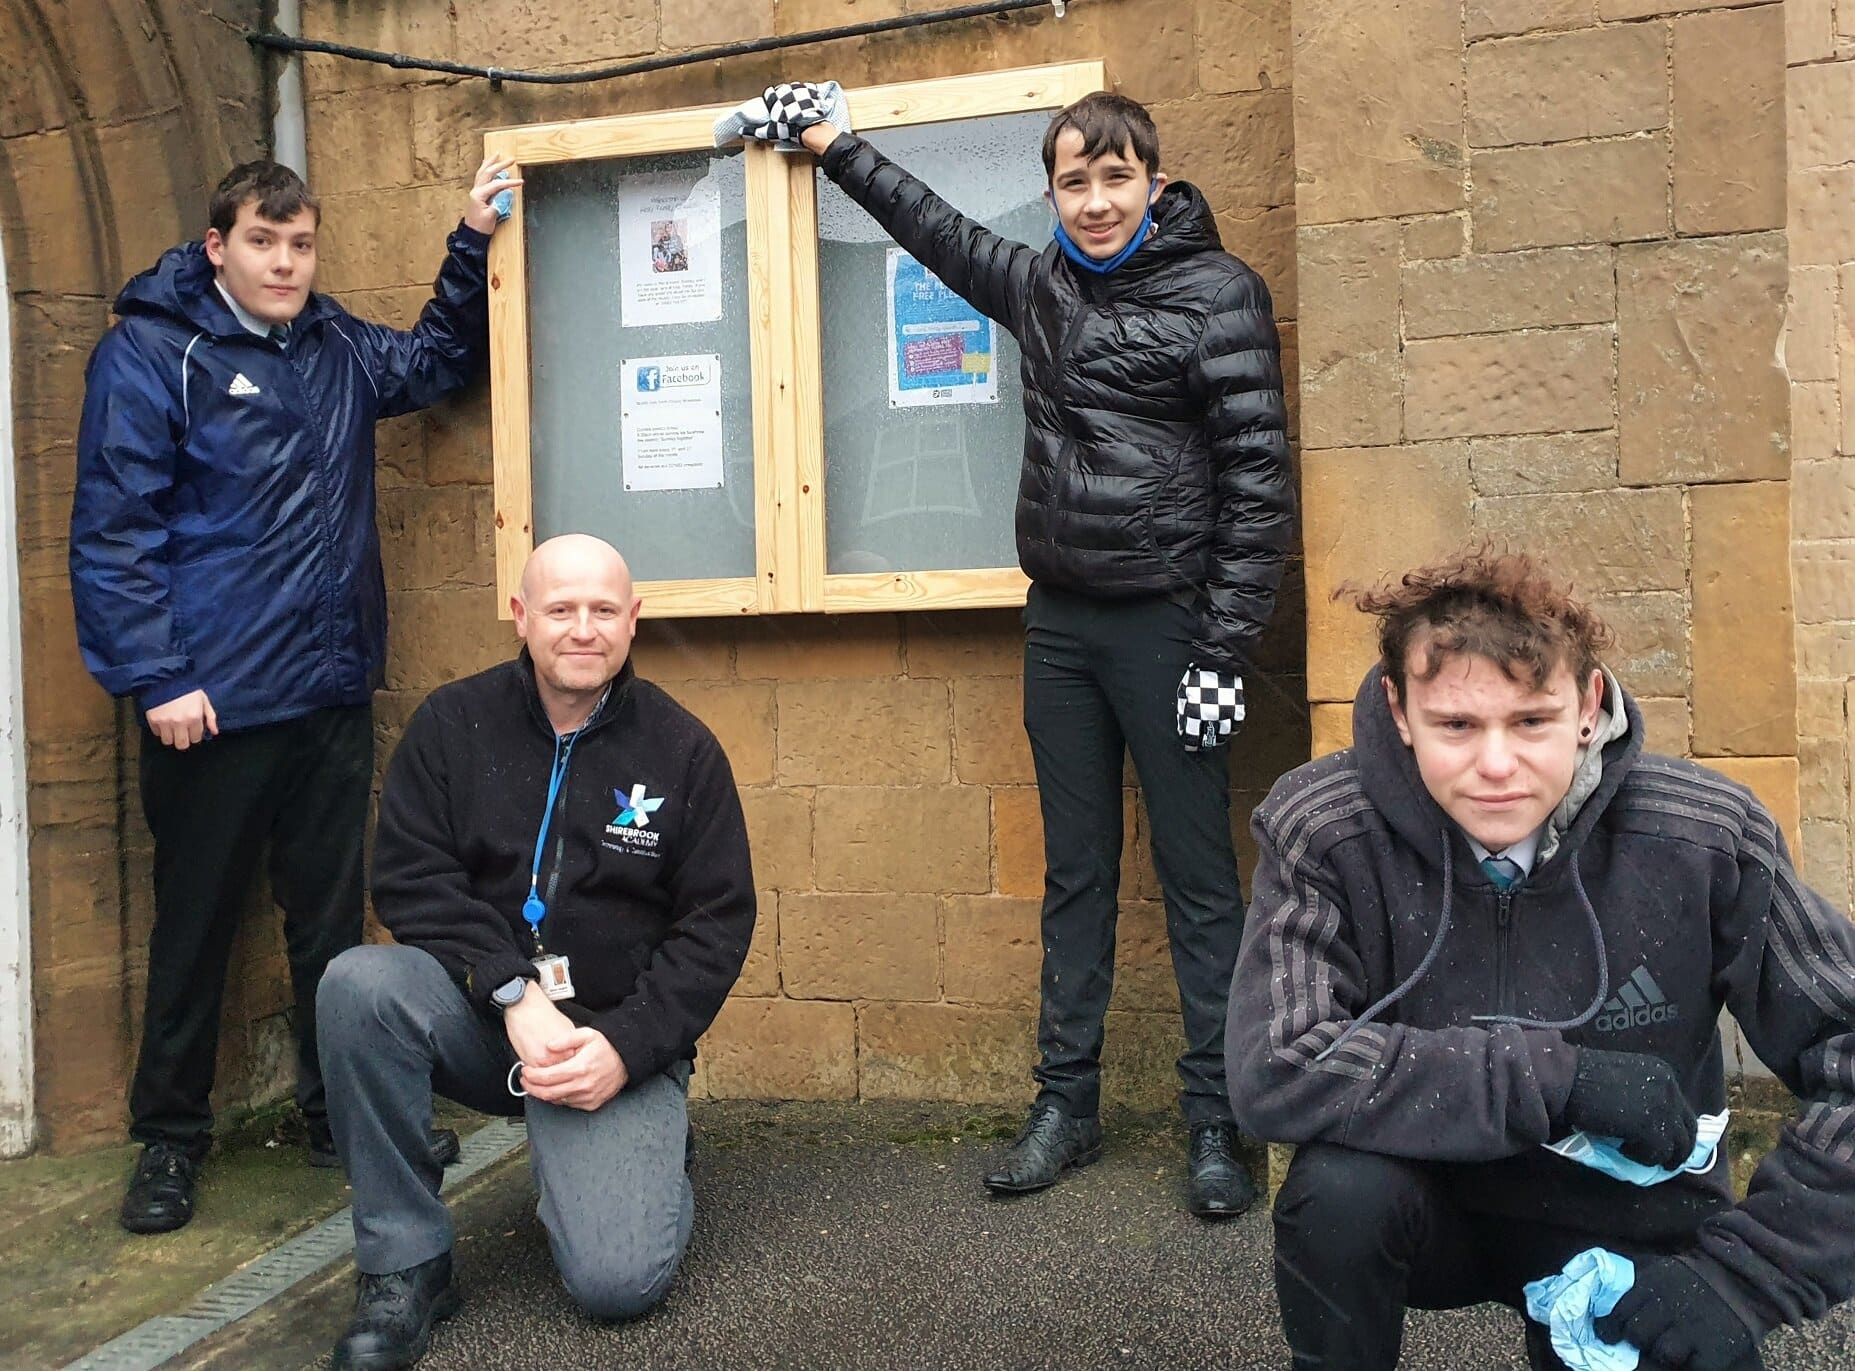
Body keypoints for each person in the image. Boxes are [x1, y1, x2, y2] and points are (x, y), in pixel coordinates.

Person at [723, 84, 1291, 1217]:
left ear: (1155, 183)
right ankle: (1064, 1107)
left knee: (1196, 883)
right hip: (1063, 626)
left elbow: (1261, 485)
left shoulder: (1219, 294)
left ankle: (1218, 1121)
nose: (1094, 200)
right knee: (1074, 872)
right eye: (1074, 181)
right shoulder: (1039, 288)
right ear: (1053, 190)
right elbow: (930, 229)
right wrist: (835, 144)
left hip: (1175, 627)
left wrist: (1224, 653)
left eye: (1115, 178)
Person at [1226, 548, 1855, 1371]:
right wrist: (1556, 1080)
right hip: (1428, 1196)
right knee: (1336, 1194)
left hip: (1632, 1217)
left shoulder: (1704, 834)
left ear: (1588, 705)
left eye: (1530, 721)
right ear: (1399, 708)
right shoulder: (1323, 826)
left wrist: (1746, 1276)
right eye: (1455, 724)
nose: (1495, 764)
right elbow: (1275, 1061)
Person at [68, 154, 519, 1234]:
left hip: (326, 692)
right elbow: (112, 531)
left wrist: (470, 240)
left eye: (301, 244)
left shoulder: (334, 348)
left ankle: (338, 1117)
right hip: (210, 705)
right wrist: (159, 677)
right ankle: (169, 1141)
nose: (284, 263)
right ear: (218, 247)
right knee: (196, 928)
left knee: (329, 929)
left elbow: (436, 361)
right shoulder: (150, 353)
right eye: (263, 243)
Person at [316, 534, 755, 1371]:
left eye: (601, 610)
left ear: (632, 621)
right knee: (358, 985)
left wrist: (626, 1049)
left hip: (608, 1044)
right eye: (560, 609)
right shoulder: (452, 723)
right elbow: (411, 878)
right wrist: (513, 993)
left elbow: (716, 923)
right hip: (485, 1021)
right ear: (521, 617)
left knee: (617, 1284)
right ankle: (405, 1263)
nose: (581, 629)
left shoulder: (683, 750)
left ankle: (647, 1149)